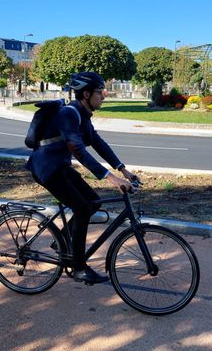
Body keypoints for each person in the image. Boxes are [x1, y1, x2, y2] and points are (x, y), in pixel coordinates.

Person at [25, 71, 137, 284]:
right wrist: (110, 178)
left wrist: (123, 169)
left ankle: (61, 242)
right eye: (100, 92)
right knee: (83, 208)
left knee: (92, 202)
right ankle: (79, 268)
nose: (104, 96)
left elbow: (97, 143)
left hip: (60, 167)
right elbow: (76, 148)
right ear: (86, 94)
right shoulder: (69, 114)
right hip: (47, 170)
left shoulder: (82, 115)